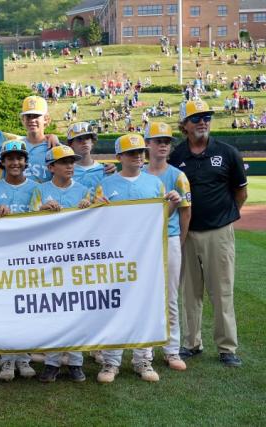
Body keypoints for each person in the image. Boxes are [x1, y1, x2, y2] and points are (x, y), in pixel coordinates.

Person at [94, 134, 181, 383]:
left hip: (146, 254)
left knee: (145, 306)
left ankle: (143, 360)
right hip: (115, 254)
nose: (138, 156)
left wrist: (172, 205)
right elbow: (95, 221)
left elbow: (161, 218)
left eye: (141, 152)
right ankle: (111, 363)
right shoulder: (106, 184)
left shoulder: (154, 183)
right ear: (119, 157)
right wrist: (95, 205)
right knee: (114, 306)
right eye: (132, 153)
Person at [169, 100, 247, 367]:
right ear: (185, 125)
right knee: (190, 292)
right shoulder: (176, 155)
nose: (203, 121)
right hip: (187, 231)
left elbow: (241, 192)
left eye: (207, 117)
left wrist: (224, 217)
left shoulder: (227, 152)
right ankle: (191, 343)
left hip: (219, 231)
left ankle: (227, 348)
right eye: (196, 118)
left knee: (222, 291)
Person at [30, 145, 91, 383]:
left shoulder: (85, 191)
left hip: (77, 258)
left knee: (76, 310)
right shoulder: (40, 190)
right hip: (49, 259)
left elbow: (98, 223)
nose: (70, 166)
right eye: (64, 162)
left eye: (71, 161)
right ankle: (52, 362)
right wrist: (41, 211)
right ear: (51, 167)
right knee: (52, 310)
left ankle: (75, 362)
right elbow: (27, 222)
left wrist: (91, 209)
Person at [143, 122, 191, 371]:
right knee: (145, 296)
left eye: (166, 141)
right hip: (141, 243)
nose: (163, 144)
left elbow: (185, 212)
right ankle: (146, 351)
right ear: (147, 144)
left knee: (170, 297)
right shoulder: (137, 173)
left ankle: (172, 350)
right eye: (157, 140)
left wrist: (179, 241)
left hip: (169, 238)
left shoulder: (177, 175)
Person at [0, 140, 38, 381]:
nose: (15, 162)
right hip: (2, 253)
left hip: (29, 254)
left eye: (19, 158)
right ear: (3, 162)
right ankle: (7, 359)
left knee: (26, 307)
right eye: (10, 158)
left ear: (26, 162)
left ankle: (24, 357)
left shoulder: (37, 188)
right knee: (5, 307)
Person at [66, 122, 105, 196]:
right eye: (79, 139)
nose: (84, 142)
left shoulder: (105, 170)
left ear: (92, 142)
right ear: (71, 144)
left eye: (87, 138)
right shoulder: (66, 171)